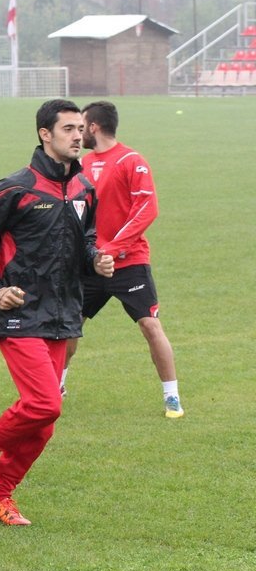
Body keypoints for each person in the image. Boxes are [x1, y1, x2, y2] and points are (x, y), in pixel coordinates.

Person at [0, 98, 114, 526]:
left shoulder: (84, 189)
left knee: (42, 423)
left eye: (80, 128)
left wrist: (95, 257)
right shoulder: (16, 188)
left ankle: (1, 495)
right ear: (45, 134)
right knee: (45, 404)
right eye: (68, 129)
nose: (78, 136)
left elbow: (84, 240)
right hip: (20, 311)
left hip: (63, 315)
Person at [64, 100, 183, 418]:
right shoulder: (81, 164)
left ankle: (172, 397)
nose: (77, 132)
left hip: (128, 262)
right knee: (69, 326)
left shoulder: (132, 161)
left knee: (150, 325)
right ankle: (55, 388)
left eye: (81, 126)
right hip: (91, 263)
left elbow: (147, 210)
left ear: (94, 127)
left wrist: (112, 249)